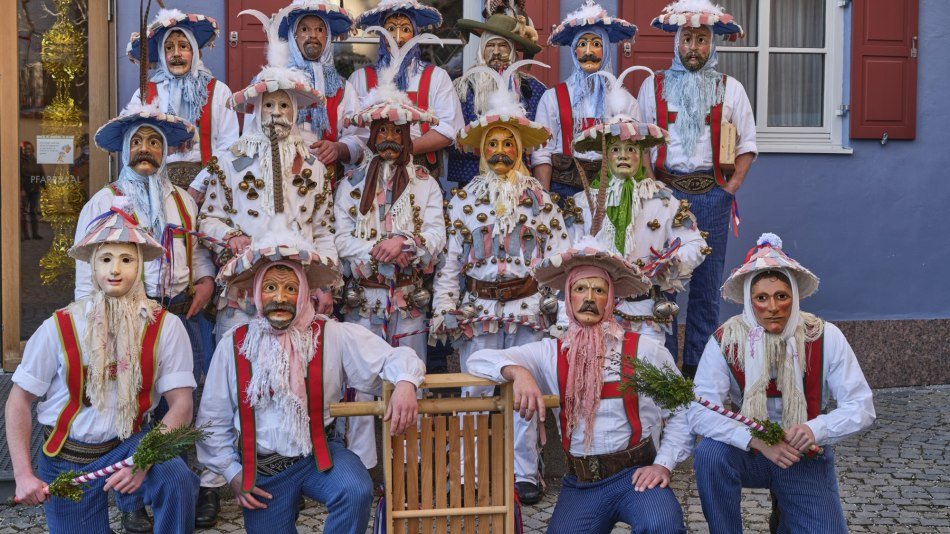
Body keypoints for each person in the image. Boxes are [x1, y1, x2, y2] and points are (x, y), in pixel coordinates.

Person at [196, 225, 424, 534]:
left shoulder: (330, 334)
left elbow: (395, 358)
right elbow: (212, 419)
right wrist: (232, 472)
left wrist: (406, 383)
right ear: (258, 292)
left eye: (290, 288)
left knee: (355, 490)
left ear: (304, 292)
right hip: (263, 471)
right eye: (271, 287)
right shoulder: (234, 344)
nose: (280, 297)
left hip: (320, 456)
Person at [467, 234, 689, 533]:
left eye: (599, 290)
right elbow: (478, 360)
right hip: (582, 483)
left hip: (636, 477)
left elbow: (682, 409)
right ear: (568, 298)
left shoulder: (645, 350)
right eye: (580, 289)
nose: (589, 298)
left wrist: (663, 464)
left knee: (662, 526)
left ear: (611, 299)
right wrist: (517, 372)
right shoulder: (549, 353)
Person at [6, 199, 198, 533]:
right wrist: (23, 475)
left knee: (176, 477)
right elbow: (18, 400)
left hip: (129, 446)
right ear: (93, 268)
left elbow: (182, 404)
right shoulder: (60, 326)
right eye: (106, 259)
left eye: (126, 259)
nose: (115, 270)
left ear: (139, 266)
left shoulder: (166, 326)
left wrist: (144, 459)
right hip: (68, 458)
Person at [73, 101, 216, 531]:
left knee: (184, 402)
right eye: (138, 142)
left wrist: (206, 281)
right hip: (123, 317)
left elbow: (198, 252)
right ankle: (130, 498)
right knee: (130, 401)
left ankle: (186, 487)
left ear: (165, 151)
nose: (146, 149)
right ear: (125, 149)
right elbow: (87, 273)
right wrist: (94, 325)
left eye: (155, 142)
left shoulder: (182, 202)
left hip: (179, 316)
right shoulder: (103, 201)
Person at [432, 61, 570, 504]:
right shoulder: (462, 202)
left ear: (520, 149)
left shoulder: (542, 201)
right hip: (479, 311)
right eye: (492, 143)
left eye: (507, 143)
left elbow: (560, 261)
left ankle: (524, 472)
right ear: (481, 150)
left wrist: (561, 317)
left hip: (528, 309)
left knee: (523, 393)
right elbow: (450, 263)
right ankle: (469, 473)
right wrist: (444, 307)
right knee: (474, 390)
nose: (500, 151)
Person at [689, 233, 875, 533]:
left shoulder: (824, 336)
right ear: (749, 301)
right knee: (710, 454)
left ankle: (788, 516)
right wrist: (755, 439)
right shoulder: (726, 340)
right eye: (761, 298)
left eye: (782, 296)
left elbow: (861, 407)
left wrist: (815, 429)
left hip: (801, 454)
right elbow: (700, 410)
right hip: (749, 451)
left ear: (794, 298)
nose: (772, 307)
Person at [333, 33, 446, 468]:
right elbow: (340, 240)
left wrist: (407, 244)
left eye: (396, 132)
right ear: (371, 134)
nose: (388, 140)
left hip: (409, 300)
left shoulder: (426, 185)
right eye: (380, 131)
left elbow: (437, 236)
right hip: (364, 300)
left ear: (407, 136)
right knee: (361, 384)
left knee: (410, 380)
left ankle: (408, 470)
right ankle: (360, 471)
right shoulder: (351, 185)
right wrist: (378, 249)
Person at [197, 7, 338, 339]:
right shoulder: (230, 161)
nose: (276, 112)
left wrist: (325, 284)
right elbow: (207, 220)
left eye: (284, 105)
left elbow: (323, 230)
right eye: (269, 105)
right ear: (258, 110)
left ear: (294, 111)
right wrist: (231, 237)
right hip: (242, 295)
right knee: (238, 363)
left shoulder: (313, 166)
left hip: (297, 294)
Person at [637, 0, 757, 378]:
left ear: (712, 44)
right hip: (665, 195)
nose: (693, 47)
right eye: (687, 39)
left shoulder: (730, 89)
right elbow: (640, 143)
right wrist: (651, 190)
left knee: (706, 287)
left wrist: (728, 190)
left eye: (701, 40)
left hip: (711, 195)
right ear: (676, 42)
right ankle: (664, 370)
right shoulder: (653, 86)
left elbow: (748, 145)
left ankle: (699, 372)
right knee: (663, 284)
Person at [567, 69, 707, 344]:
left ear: (641, 154)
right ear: (605, 155)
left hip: (647, 312)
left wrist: (671, 262)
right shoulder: (584, 202)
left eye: (630, 149)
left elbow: (696, 244)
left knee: (647, 367)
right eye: (615, 150)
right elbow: (569, 251)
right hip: (596, 312)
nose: (623, 156)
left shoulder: (663, 200)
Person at [126, 8, 239, 201]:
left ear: (195, 52)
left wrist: (201, 183)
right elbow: (132, 145)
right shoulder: (144, 94)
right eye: (169, 48)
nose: (176, 54)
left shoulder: (219, 92)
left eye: (183, 46)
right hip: (158, 190)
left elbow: (230, 145)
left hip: (210, 188)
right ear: (161, 54)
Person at [531, 0, 638, 202]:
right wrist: (545, 200)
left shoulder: (626, 101)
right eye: (582, 44)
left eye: (596, 44)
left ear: (606, 50)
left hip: (610, 192)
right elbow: (542, 152)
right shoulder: (552, 98)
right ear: (574, 51)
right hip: (563, 190)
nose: (589, 51)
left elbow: (637, 151)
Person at [349, 0, 464, 179]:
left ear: (416, 33)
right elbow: (353, 134)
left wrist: (407, 149)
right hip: (371, 172)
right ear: (381, 34)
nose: (398, 38)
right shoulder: (360, 78)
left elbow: (449, 128)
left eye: (405, 29)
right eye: (390, 29)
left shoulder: (436, 77)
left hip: (421, 171)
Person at [447, 11, 545, 186]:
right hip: (472, 179)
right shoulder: (461, 88)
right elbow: (452, 137)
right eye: (490, 45)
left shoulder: (532, 88)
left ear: (512, 50)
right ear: (482, 49)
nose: (496, 52)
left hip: (518, 181)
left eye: (503, 46)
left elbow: (540, 140)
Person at [278, 1, 367, 173]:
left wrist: (338, 149)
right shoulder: (275, 84)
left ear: (327, 37)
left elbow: (358, 139)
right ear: (293, 36)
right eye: (304, 29)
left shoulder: (343, 89)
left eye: (320, 29)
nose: (313, 35)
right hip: (282, 180)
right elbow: (254, 135)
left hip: (327, 181)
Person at [19, 141, 44, 240]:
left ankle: (35, 233)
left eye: (29, 149)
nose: (27, 151)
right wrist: (21, 189)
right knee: (24, 213)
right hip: (24, 191)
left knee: (33, 212)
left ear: (32, 150)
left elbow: (41, 174)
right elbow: (18, 176)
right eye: (25, 149)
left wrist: (45, 186)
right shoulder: (19, 161)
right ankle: (25, 235)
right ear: (22, 150)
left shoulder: (36, 161)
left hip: (35, 190)